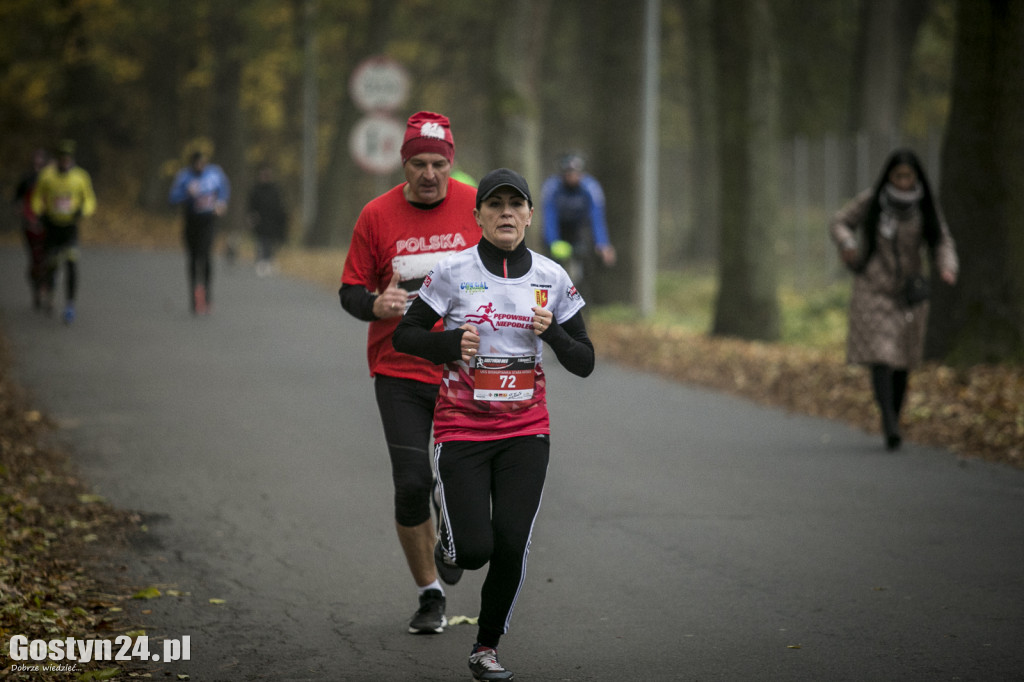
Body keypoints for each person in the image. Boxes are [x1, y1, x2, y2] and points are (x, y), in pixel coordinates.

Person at [393, 168, 595, 681]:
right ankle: (451, 545)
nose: (506, 213)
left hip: (527, 431)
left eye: (516, 205)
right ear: (478, 214)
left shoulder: (551, 278)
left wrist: (552, 338)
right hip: (462, 429)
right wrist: (447, 343)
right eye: (495, 205)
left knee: (511, 541)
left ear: (529, 214)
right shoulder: (452, 271)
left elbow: (585, 360)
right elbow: (405, 336)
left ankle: (486, 647)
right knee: (475, 550)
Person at [339, 111, 480, 635]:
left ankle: (454, 530)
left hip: (465, 365)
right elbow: (350, 290)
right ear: (404, 165)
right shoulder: (376, 216)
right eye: (417, 164)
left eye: (438, 164)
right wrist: (377, 305)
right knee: (412, 482)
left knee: (460, 478)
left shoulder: (476, 206)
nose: (428, 174)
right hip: (398, 367)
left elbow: (508, 260)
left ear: (451, 163)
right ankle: (429, 595)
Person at [829, 148, 958, 451]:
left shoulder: (925, 206)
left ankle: (894, 417)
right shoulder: (872, 201)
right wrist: (847, 242)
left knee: (902, 360)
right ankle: (888, 420)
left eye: (908, 175)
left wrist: (947, 265)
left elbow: (942, 240)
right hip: (873, 286)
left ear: (916, 177)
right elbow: (839, 221)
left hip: (909, 292)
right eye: (897, 175)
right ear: (889, 175)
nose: (902, 181)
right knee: (881, 355)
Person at [31, 140, 96, 323]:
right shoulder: (47, 176)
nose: (65, 161)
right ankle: (50, 292)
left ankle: (69, 305)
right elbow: (36, 197)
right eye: (62, 158)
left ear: (72, 159)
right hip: (52, 226)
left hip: (70, 227)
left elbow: (90, 200)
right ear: (58, 159)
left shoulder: (80, 177)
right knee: (52, 263)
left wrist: (83, 211)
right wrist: (39, 212)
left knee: (71, 264)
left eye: (68, 158)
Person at [540, 153, 616, 296]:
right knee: (553, 269)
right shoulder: (552, 187)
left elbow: (597, 217)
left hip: (578, 231)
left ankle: (583, 300)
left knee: (584, 267)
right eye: (568, 174)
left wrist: (602, 243)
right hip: (558, 230)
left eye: (575, 174)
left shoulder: (591, 187)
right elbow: (549, 217)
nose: (572, 177)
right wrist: (553, 242)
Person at [169, 150, 231, 314]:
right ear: (192, 164)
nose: (200, 167)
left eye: (203, 163)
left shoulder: (214, 173)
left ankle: (207, 295)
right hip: (191, 222)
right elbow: (173, 197)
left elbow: (224, 189)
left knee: (205, 256)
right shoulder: (184, 177)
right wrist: (186, 193)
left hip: (208, 221)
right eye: (197, 164)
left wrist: (221, 203)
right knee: (193, 258)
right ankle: (194, 297)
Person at [13, 148, 49, 310]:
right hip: (30, 224)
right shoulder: (27, 180)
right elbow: (18, 202)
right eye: (36, 160)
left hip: (48, 224)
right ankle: (36, 289)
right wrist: (26, 217)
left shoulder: (50, 179)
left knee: (48, 258)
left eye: (41, 161)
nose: (38, 164)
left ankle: (47, 288)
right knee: (35, 258)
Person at [247, 163, 289, 277]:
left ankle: (269, 260)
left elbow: (280, 205)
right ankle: (260, 261)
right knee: (261, 241)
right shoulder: (255, 190)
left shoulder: (275, 190)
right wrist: (251, 216)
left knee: (270, 241)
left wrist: (281, 218)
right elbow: (251, 205)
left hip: (272, 220)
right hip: (260, 220)